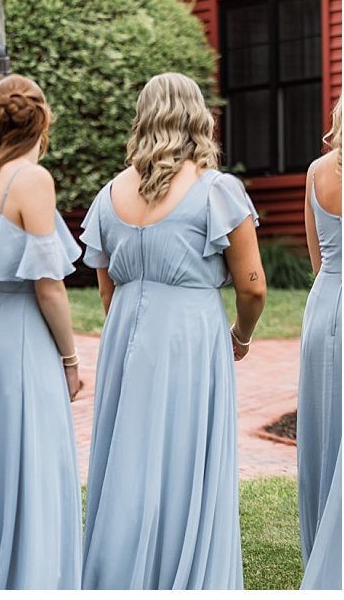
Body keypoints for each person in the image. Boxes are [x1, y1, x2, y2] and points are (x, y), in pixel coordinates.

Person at [79, 72, 265, 589]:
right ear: (198, 116)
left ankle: (118, 568)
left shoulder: (108, 194)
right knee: (185, 453)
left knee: (128, 452)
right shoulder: (216, 190)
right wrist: (241, 336)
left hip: (125, 336)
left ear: (144, 117)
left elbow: (107, 287)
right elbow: (253, 286)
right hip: (189, 335)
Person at [0, 74, 84, 590]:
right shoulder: (33, 179)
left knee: (1, 468)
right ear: (43, 119)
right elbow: (48, 286)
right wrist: (71, 359)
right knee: (35, 467)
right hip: (26, 338)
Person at [298, 97, 344, 590]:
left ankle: (319, 543)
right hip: (341, 296)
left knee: (321, 427)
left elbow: (317, 258)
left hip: (322, 300)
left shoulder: (316, 171)